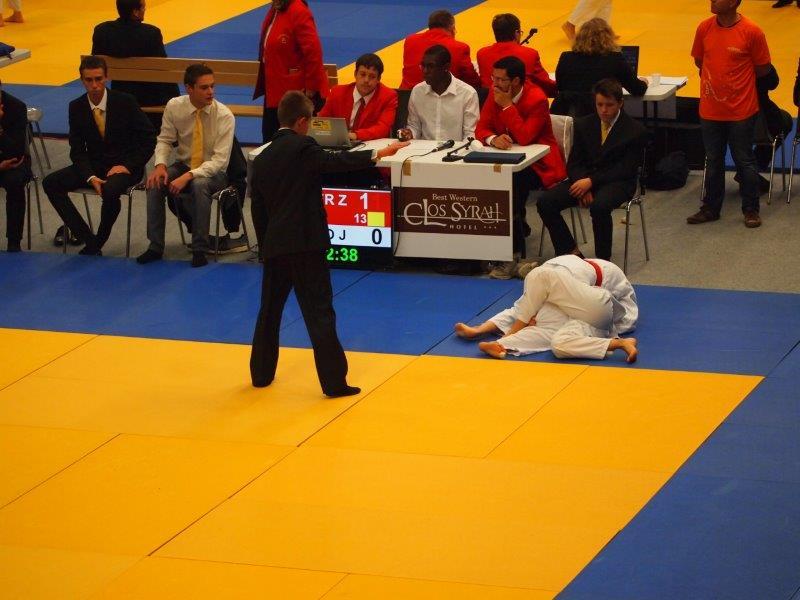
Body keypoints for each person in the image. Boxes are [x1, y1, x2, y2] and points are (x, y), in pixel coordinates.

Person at [249, 90, 408, 396]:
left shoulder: (263, 156)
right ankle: (334, 382)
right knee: (319, 313)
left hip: (276, 246)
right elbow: (336, 161)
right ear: (301, 122)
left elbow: (258, 207)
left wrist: (266, 246)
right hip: (307, 245)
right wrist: (378, 153)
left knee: (269, 311)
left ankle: (261, 373)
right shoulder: (303, 147)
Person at [43, 56, 155, 256]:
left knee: (110, 190)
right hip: (94, 165)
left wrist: (128, 165)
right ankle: (86, 237)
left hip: (125, 166)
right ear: (82, 80)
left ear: (106, 77)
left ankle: (98, 242)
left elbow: (149, 139)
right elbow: (77, 149)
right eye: (89, 80)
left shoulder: (125, 101)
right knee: (50, 183)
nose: (94, 85)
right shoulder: (76, 107)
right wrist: (90, 176)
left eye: (98, 79)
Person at [474, 56, 567, 279]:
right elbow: (481, 128)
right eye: (493, 78)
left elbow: (525, 137)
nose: (495, 84)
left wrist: (507, 106)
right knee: (488, 183)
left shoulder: (537, 99)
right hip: (506, 161)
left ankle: (512, 255)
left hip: (540, 164)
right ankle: (494, 248)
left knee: (509, 188)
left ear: (516, 81)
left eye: (501, 79)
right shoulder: (495, 93)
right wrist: (493, 139)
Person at [137, 64, 235, 268]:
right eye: (204, 87)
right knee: (155, 182)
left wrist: (189, 176)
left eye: (212, 86)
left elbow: (219, 162)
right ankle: (155, 246)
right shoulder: (174, 106)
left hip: (215, 172)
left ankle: (200, 248)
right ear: (189, 88)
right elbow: (164, 140)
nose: (211, 92)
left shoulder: (224, 116)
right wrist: (160, 165)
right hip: (184, 164)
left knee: (199, 184)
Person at [454, 254, 638, 362]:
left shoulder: (565, 275)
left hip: (603, 307)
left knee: (542, 316)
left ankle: (505, 339)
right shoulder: (550, 277)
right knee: (557, 341)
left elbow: (620, 309)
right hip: (584, 310)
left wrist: (527, 321)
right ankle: (496, 341)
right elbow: (522, 308)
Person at [538, 78, 645, 261]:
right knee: (545, 202)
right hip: (585, 179)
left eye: (609, 105)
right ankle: (571, 252)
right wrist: (583, 183)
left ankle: (602, 261)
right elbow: (574, 162)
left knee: (599, 207)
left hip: (618, 182)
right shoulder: (584, 124)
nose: (604, 110)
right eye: (599, 104)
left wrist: (591, 182)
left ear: (620, 103)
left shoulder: (635, 130)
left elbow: (625, 169)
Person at [687, 0, 771, 228]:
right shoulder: (704, 28)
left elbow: (763, 68)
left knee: (744, 160)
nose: (712, 0)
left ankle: (751, 209)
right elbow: (699, 61)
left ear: (733, 2)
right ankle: (711, 208)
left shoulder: (752, 32)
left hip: (741, 111)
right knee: (713, 160)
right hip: (710, 110)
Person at [92, 0, 180, 129]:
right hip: (150, 98)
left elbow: (94, 63)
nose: (145, 10)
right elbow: (161, 67)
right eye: (143, 7)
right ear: (135, 12)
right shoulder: (151, 33)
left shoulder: (102, 31)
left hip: (120, 91)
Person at [254, 0, 329, 144]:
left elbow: (313, 52)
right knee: (271, 141)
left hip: (296, 94)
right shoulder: (277, 8)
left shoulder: (298, 11)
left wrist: (311, 88)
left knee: (290, 144)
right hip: (275, 89)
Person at [550, 18, 647, 118]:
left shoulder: (566, 57)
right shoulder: (614, 59)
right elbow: (637, 90)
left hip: (567, 116)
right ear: (608, 38)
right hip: (601, 117)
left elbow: (561, 87)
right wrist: (644, 82)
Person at [398, 45, 479, 142]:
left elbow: (470, 134)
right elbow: (414, 126)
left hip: (456, 150)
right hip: (424, 149)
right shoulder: (417, 91)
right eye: (423, 66)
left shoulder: (468, 94)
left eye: (431, 66)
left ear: (446, 67)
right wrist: (410, 133)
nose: (425, 71)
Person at [318, 53, 398, 141]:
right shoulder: (337, 92)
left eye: (372, 77)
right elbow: (321, 121)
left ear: (378, 79)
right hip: (338, 142)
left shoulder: (388, 96)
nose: (366, 80)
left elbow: (383, 128)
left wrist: (356, 135)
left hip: (369, 144)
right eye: (362, 74)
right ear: (355, 74)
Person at [476, 13, 556, 96]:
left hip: (490, 99)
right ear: (517, 33)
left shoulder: (482, 53)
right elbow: (545, 84)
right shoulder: (530, 54)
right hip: (520, 101)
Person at [399, 9, 480, 90]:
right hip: (442, 95)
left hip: (406, 94)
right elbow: (472, 81)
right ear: (452, 28)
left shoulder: (410, 41)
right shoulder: (460, 47)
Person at [0, 83, 30, 252]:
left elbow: (17, 151)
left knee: (14, 182)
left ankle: (14, 241)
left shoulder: (16, 107)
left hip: (13, 162)